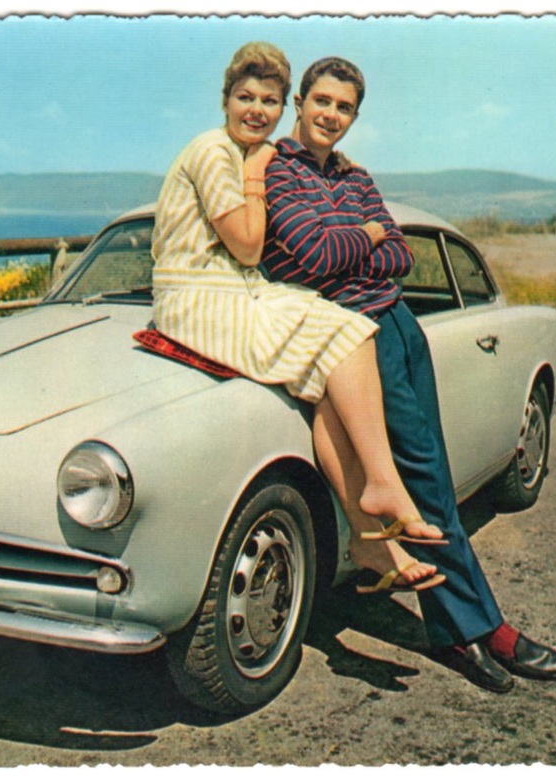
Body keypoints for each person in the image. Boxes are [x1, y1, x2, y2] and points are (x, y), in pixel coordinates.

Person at [260, 55, 556, 691]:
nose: (331, 116)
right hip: (356, 338)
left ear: (354, 116)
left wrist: (361, 242)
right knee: (426, 487)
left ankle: (460, 626)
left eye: (345, 108)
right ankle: (484, 630)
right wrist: (368, 236)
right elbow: (315, 256)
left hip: (401, 328)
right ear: (299, 101)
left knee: (431, 476)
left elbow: (401, 258)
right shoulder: (274, 170)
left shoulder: (355, 176)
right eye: (322, 101)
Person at [151, 42, 446, 595]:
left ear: (281, 105)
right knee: (346, 331)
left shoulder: (258, 156)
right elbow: (250, 246)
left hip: (236, 291)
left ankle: (368, 534)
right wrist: (262, 178)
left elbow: (396, 254)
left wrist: (356, 239)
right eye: (245, 98)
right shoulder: (216, 152)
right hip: (197, 298)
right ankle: (381, 485)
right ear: (225, 99)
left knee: (338, 351)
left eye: (268, 100)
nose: (256, 111)